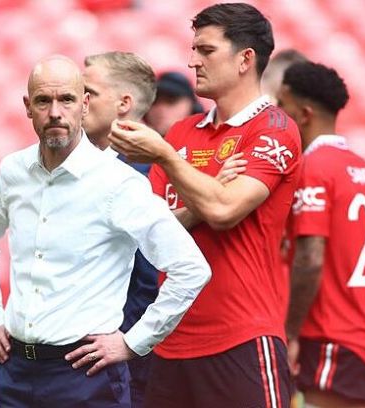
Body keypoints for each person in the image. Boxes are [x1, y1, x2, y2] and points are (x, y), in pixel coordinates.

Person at [0, 55, 211, 408]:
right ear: (28, 107)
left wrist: (132, 342)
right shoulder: (14, 170)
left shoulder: (118, 182)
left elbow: (191, 268)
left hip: (85, 375)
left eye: (67, 99)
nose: (55, 112)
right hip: (15, 370)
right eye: (44, 101)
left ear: (84, 105)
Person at [109, 3, 301, 407]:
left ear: (245, 59)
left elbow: (225, 211)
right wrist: (208, 190)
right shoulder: (180, 132)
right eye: (194, 48)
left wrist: (168, 160)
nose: (193, 60)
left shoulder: (275, 129)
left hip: (242, 339)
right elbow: (151, 232)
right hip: (170, 339)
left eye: (206, 50)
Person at [279, 62, 365, 408]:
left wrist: (290, 332)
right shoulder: (364, 168)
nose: (278, 116)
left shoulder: (314, 169)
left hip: (335, 337)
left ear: (304, 114)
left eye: (282, 106)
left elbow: (311, 259)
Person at [81, 51, 160, 408]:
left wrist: (126, 342)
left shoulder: (145, 175)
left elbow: (149, 278)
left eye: (89, 92)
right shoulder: (75, 167)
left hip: (115, 362)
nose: (77, 102)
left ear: (124, 103)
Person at [144, 71, 204, 137]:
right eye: (154, 101)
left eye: (170, 101)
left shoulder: (206, 142)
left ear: (192, 106)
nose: (161, 109)